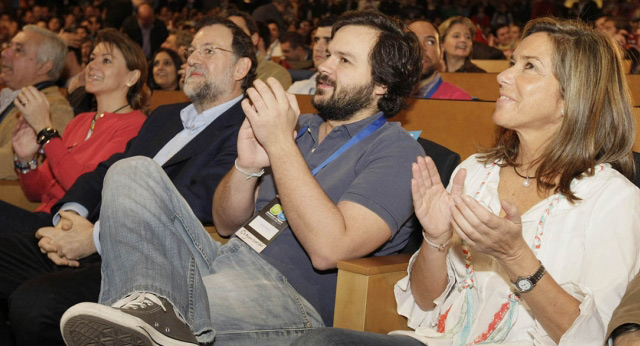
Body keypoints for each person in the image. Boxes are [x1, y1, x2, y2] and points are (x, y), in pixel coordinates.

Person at [60, 10, 424, 346]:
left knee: (127, 308)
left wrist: (281, 145)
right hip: (225, 259)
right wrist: (246, 167)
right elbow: (226, 222)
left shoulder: (397, 152)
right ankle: (151, 309)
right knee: (133, 171)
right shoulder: (303, 127)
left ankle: (151, 315)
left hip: (287, 299)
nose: (324, 66)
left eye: (344, 60)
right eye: (329, 54)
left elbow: (329, 250)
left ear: (382, 85)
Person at [292, 17, 640, 346]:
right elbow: (425, 304)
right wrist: (436, 239)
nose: (504, 77)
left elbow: (594, 336)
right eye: (512, 63)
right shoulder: (476, 171)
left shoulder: (614, 200)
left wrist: (516, 256)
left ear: (574, 97)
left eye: (529, 67)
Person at [0, 16, 256, 346]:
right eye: (191, 50)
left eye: (208, 51)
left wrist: (94, 237)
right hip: (81, 232)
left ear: (241, 68)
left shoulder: (246, 127)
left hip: (147, 260)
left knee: (33, 304)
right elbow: (108, 169)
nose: (192, 58)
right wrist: (70, 217)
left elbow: (198, 204)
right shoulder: (166, 116)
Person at [10, 28, 147, 216]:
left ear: (131, 77)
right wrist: (26, 161)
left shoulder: (136, 127)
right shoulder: (80, 121)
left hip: (69, 230)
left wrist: (46, 132)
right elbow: (38, 193)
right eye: (92, 58)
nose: (92, 65)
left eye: (106, 60)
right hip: (43, 221)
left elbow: (84, 189)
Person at [0, 25, 74, 179]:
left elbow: (15, 162)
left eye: (19, 50)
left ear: (43, 66)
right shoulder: (10, 96)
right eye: (9, 46)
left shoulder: (54, 108)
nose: (5, 53)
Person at [227, 10, 292, 89]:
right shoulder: (214, 70)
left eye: (238, 32)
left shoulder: (276, 75)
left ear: (254, 38)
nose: (230, 38)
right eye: (225, 33)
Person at [408, 20, 471, 100]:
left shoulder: (459, 99)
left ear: (441, 52)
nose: (421, 47)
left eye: (430, 42)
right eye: (413, 41)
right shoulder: (389, 95)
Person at [288, 15, 338, 95]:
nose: (317, 48)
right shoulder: (297, 89)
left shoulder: (354, 93)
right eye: (316, 40)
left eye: (328, 40)